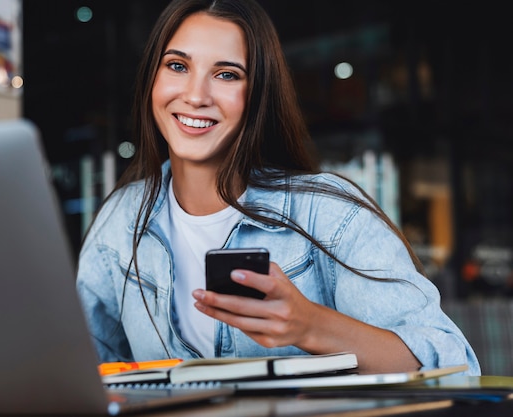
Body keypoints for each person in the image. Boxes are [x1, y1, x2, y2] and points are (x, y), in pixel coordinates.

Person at [76, 0, 481, 375]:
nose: (195, 95)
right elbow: (83, 368)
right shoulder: (122, 220)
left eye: (226, 74)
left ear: (258, 96)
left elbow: (455, 366)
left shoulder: (328, 213)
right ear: (152, 79)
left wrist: (311, 326)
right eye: (177, 66)